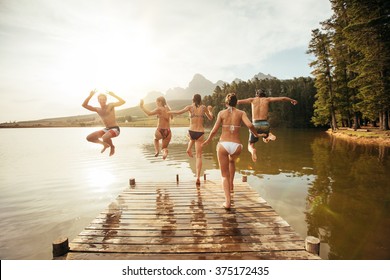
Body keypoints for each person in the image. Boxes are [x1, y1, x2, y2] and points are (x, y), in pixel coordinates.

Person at [202, 93, 259, 209]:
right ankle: (231, 185)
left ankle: (227, 202)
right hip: (236, 146)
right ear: (236, 102)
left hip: (223, 144)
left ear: (226, 103)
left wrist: (208, 141)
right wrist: (256, 134)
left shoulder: (221, 113)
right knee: (232, 162)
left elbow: (214, 130)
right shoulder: (241, 113)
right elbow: (250, 125)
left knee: (224, 175)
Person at [237, 89, 298, 162]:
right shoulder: (267, 99)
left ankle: (253, 150)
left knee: (250, 145)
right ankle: (267, 135)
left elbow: (238, 101)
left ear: (256, 95)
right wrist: (292, 100)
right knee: (265, 136)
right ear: (264, 94)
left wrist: (229, 103)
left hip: (254, 125)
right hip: (265, 124)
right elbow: (282, 98)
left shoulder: (252, 100)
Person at [169, 94, 213, 185]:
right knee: (198, 156)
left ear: (193, 100)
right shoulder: (204, 108)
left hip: (191, 131)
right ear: (200, 100)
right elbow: (211, 118)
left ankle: (189, 148)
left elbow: (179, 112)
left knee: (190, 137)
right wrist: (209, 110)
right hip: (200, 132)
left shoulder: (189, 107)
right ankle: (197, 177)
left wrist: (169, 112)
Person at [82, 89, 125, 156]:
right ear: (98, 100)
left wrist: (114, 95)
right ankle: (104, 144)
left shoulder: (110, 105)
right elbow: (84, 105)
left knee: (104, 137)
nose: (102, 101)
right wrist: (90, 96)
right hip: (106, 129)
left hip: (115, 129)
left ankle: (112, 146)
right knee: (89, 138)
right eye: (100, 99)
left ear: (106, 100)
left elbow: (123, 102)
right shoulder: (98, 109)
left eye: (104, 99)